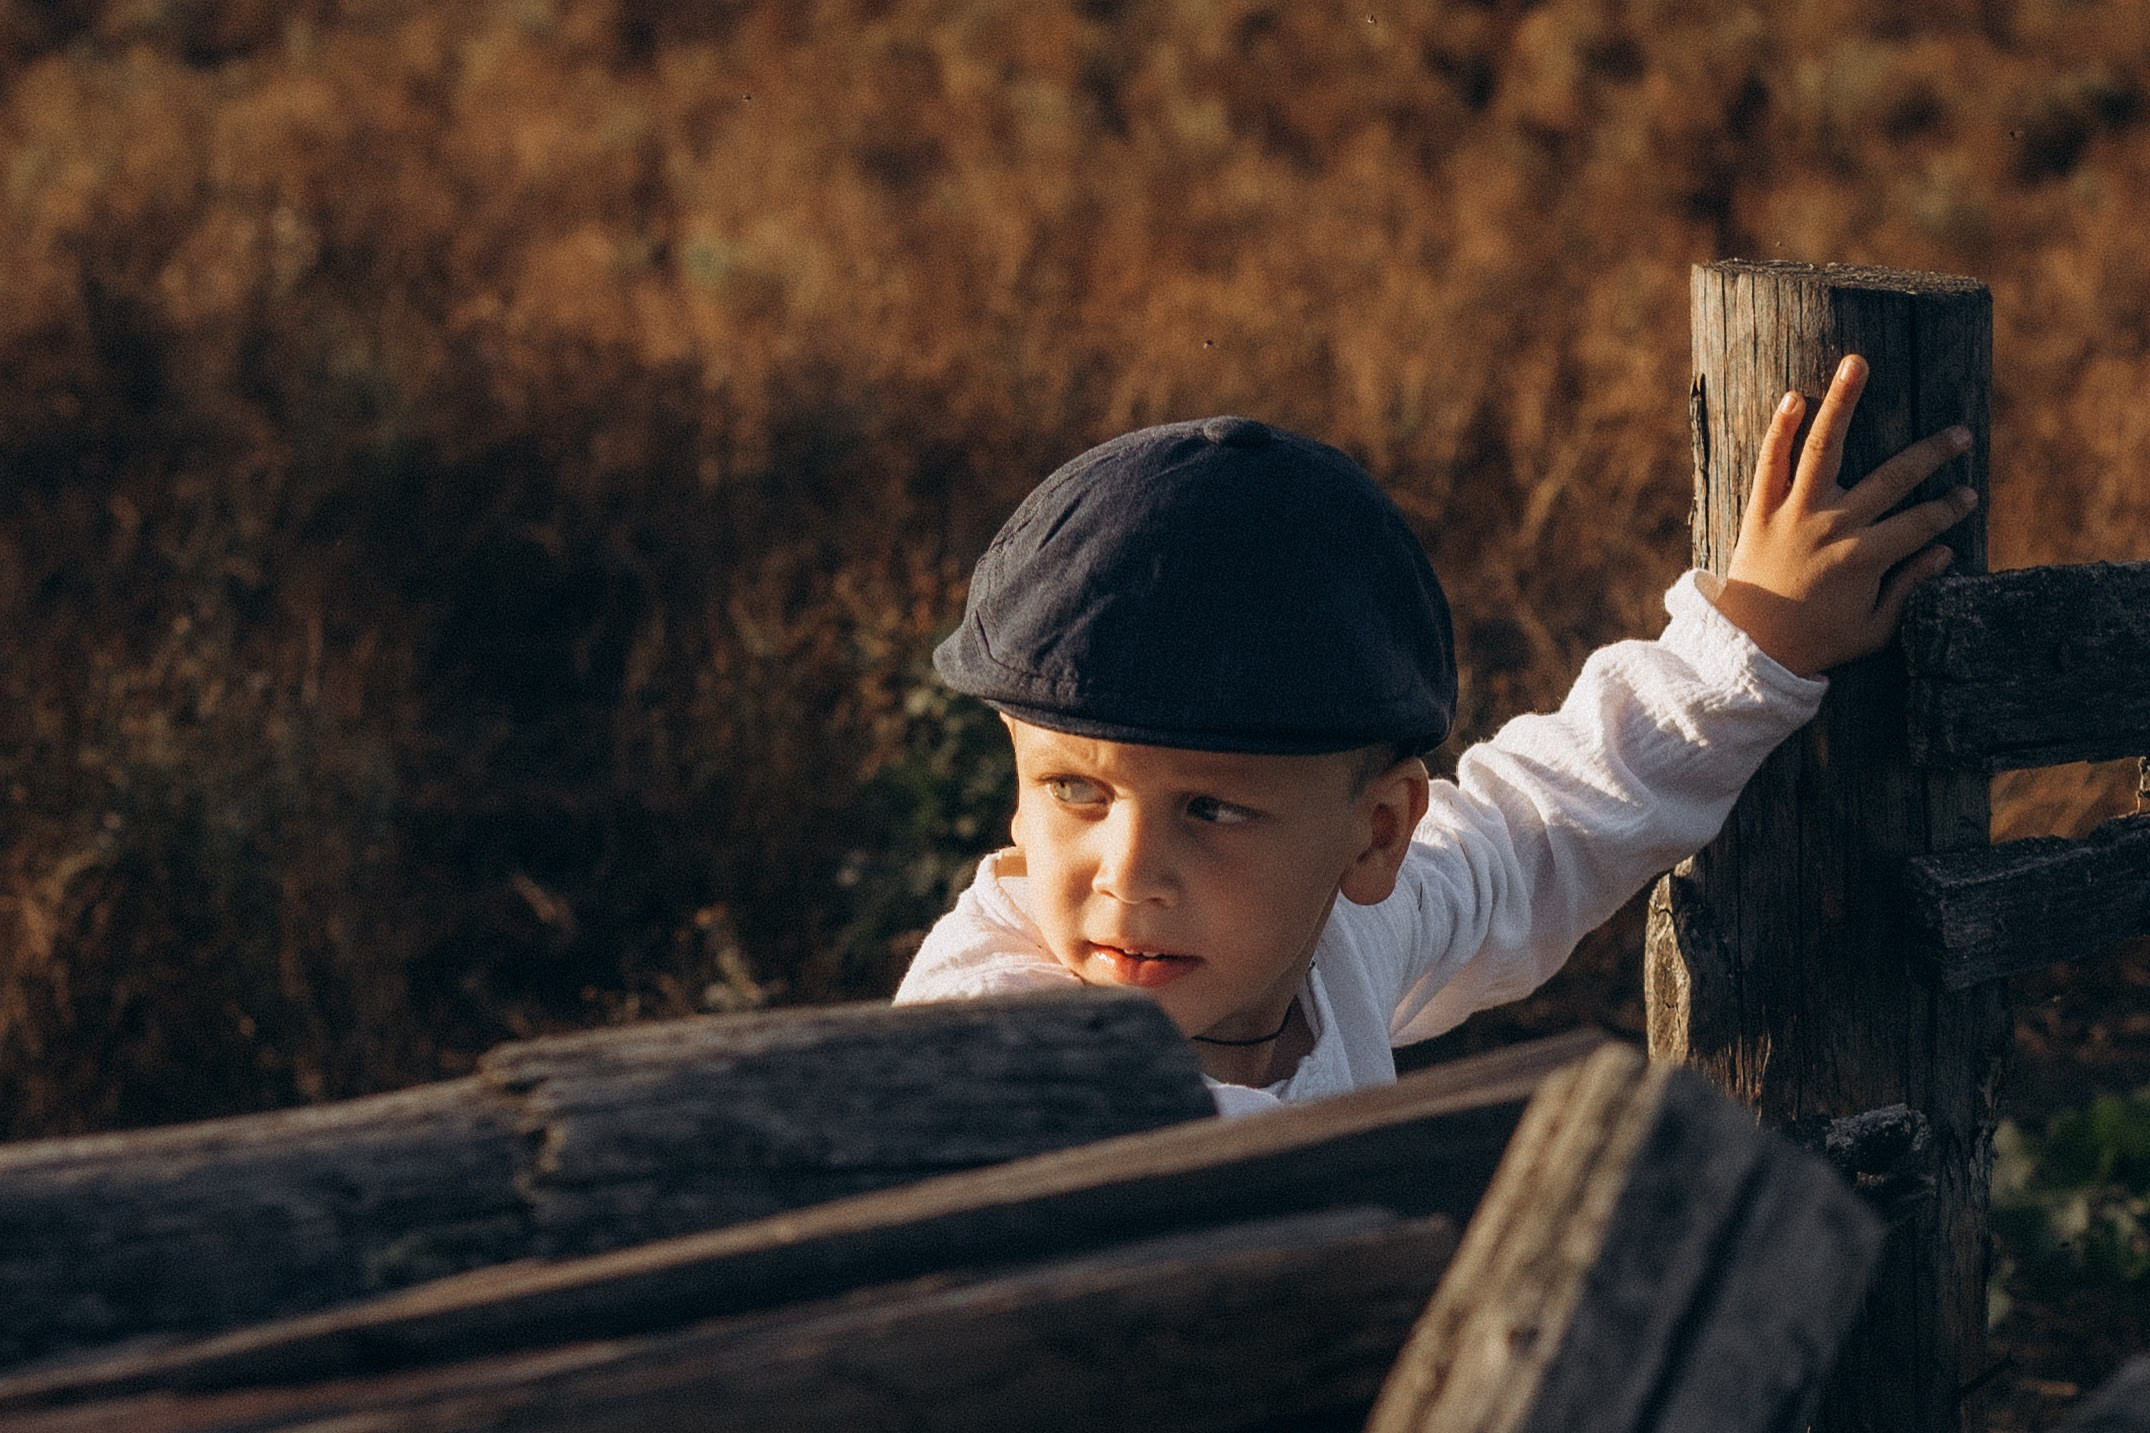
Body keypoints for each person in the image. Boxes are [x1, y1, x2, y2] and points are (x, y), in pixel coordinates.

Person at [892, 355, 1978, 1115]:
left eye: (1211, 808)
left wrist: (1750, 643)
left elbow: (1531, 832)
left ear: (1374, 836)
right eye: (1075, 789)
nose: (1129, 874)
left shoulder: (1332, 946)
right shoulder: (992, 1063)